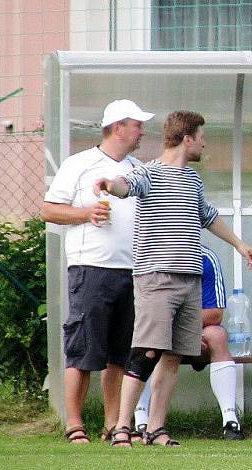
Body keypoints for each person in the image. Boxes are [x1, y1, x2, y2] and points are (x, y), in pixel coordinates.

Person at [93, 110, 252, 447]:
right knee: (146, 352)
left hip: (190, 281)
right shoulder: (149, 173)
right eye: (201, 137)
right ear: (187, 138)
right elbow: (127, 186)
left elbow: (208, 217)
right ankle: (123, 427)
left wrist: (241, 245)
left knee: (172, 356)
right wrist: (110, 185)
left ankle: (156, 428)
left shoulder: (193, 180)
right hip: (156, 278)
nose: (204, 143)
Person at [41, 99, 155, 443]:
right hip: (90, 268)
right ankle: (74, 424)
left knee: (120, 352)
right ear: (118, 128)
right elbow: (48, 209)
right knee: (82, 349)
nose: (142, 132)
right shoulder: (79, 164)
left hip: (132, 271)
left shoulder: (139, 169)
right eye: (137, 125)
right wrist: (86, 214)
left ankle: (112, 425)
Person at [133, 244, 245, 441]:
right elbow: (139, 313)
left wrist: (189, 330)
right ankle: (141, 419)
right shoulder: (148, 255)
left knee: (217, 336)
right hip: (161, 331)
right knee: (146, 339)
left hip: (196, 331)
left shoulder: (205, 257)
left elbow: (215, 312)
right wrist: (181, 331)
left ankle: (230, 420)